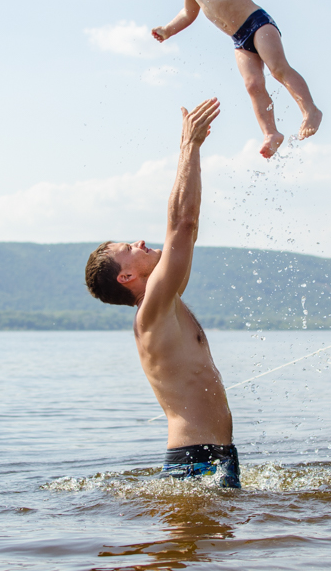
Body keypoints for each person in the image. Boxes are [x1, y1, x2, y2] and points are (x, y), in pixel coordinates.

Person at [84, 98, 240, 488]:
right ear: (126, 277)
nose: (140, 241)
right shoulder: (152, 310)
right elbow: (182, 225)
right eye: (129, 250)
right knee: (185, 551)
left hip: (217, 456)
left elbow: (190, 230)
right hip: (194, 461)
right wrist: (190, 146)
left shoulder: (167, 302)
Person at [137, 0, 323, 159]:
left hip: (257, 24)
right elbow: (187, 14)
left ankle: (310, 110)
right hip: (238, 40)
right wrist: (168, 30)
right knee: (253, 84)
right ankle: (271, 133)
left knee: (278, 69)